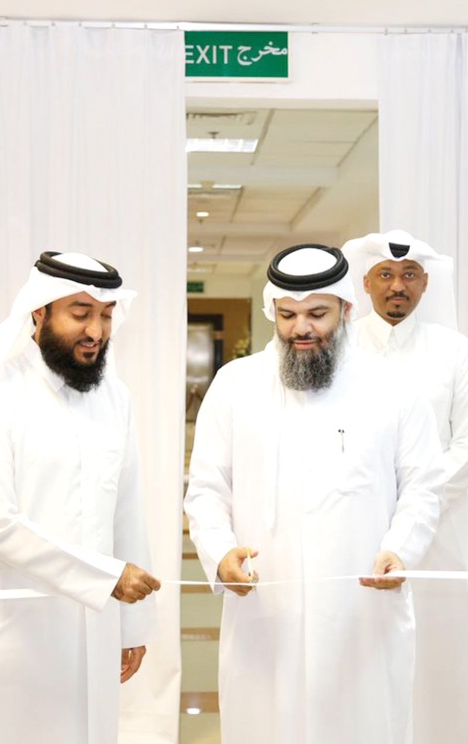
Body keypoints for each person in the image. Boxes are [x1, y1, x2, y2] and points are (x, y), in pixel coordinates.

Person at [183, 243, 445, 744]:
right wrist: (220, 557)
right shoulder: (235, 385)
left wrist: (401, 548)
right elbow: (207, 490)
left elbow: (423, 485)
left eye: (317, 314)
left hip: (361, 614)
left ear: (347, 311)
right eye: (288, 315)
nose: (301, 328)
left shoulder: (393, 387)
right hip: (266, 615)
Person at [0, 251, 160, 744]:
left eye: (106, 315)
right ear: (39, 313)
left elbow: (127, 509)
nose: (96, 329)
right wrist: (106, 579)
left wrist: (133, 625)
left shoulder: (115, 399)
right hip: (12, 636)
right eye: (80, 313)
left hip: (92, 629)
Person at [342, 230, 468, 743]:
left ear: (426, 284)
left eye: (409, 276)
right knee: (360, 665)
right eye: (385, 275)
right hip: (356, 534)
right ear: (365, 283)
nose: (397, 286)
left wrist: (413, 507)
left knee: (443, 666)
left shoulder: (454, 351)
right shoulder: (339, 347)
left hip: (441, 541)